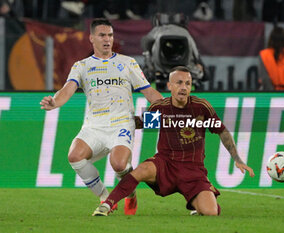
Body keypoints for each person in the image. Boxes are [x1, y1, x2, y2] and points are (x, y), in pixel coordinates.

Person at [92, 66, 255, 216]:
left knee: (211, 213)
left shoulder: (201, 107)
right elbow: (140, 123)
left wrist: (237, 159)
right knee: (142, 169)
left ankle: (200, 202)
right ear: (170, 86)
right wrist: (114, 121)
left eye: (188, 83)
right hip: (165, 164)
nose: (184, 87)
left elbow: (222, 131)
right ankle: (107, 205)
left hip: (193, 170)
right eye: (179, 83)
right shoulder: (161, 108)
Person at [39, 18, 163, 215]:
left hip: (121, 123)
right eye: (102, 35)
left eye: (110, 35)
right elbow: (67, 90)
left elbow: (148, 92)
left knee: (119, 164)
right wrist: (54, 103)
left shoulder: (127, 63)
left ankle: (129, 194)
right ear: (91, 38)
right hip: (94, 126)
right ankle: (106, 197)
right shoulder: (82, 66)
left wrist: (167, 107)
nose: (107, 39)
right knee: (74, 156)